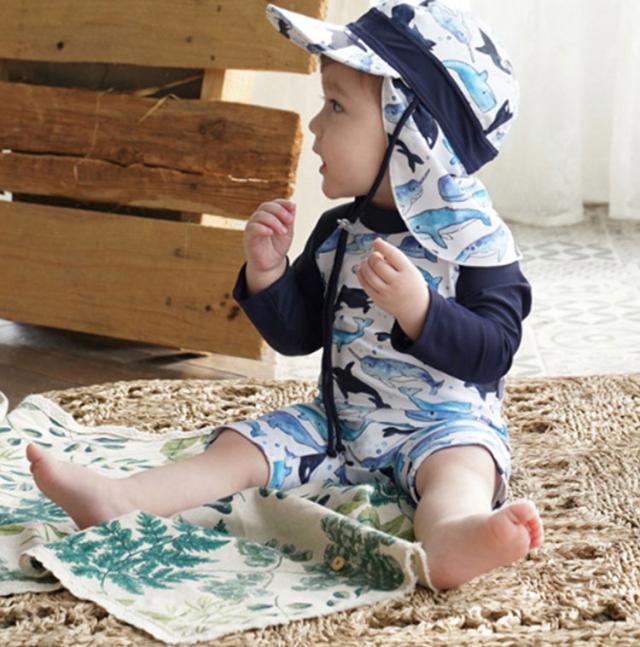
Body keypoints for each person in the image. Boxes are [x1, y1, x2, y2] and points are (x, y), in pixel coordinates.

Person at [26, 0, 543, 592]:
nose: (315, 125)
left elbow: (495, 350)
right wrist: (267, 273)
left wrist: (420, 310)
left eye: (336, 106)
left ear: (414, 135)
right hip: (337, 425)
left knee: (462, 469)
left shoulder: (475, 242)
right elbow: (298, 337)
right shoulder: (340, 232)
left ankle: (452, 535)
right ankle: (122, 499)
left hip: (443, 427)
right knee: (240, 446)